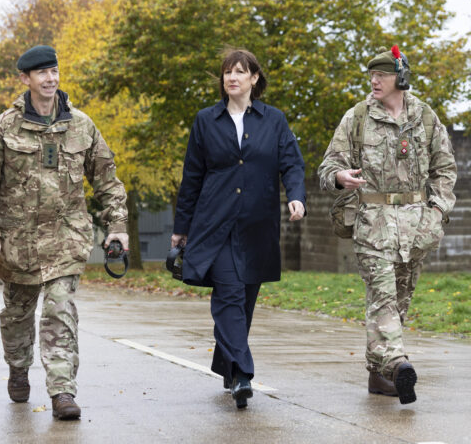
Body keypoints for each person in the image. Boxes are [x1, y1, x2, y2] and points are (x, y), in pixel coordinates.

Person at [0, 45, 128, 419]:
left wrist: (117, 227)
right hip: (19, 243)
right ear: (25, 79)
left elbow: (107, 180)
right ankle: (18, 367)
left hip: (66, 240)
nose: (50, 79)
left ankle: (62, 392)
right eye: (42, 73)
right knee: (17, 314)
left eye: (54, 71)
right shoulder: (4, 127)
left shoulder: (81, 125)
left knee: (59, 308)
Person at [318, 45, 457, 405]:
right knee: (383, 299)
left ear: (401, 78)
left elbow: (445, 170)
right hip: (372, 226)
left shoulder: (425, 118)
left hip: (417, 229)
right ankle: (397, 363)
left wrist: (438, 212)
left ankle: (379, 375)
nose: (374, 81)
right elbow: (327, 167)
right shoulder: (357, 118)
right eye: (371, 75)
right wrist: (339, 177)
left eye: (381, 75)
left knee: (399, 302)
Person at [171, 49, 306, 409]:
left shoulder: (274, 120)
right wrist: (180, 228)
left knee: (245, 300)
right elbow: (192, 177)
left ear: (254, 79)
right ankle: (244, 374)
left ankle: (227, 365)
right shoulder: (205, 121)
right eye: (227, 72)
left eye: (240, 72)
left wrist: (296, 197)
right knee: (228, 294)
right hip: (215, 224)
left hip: (258, 226)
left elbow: (292, 163)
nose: (232, 77)